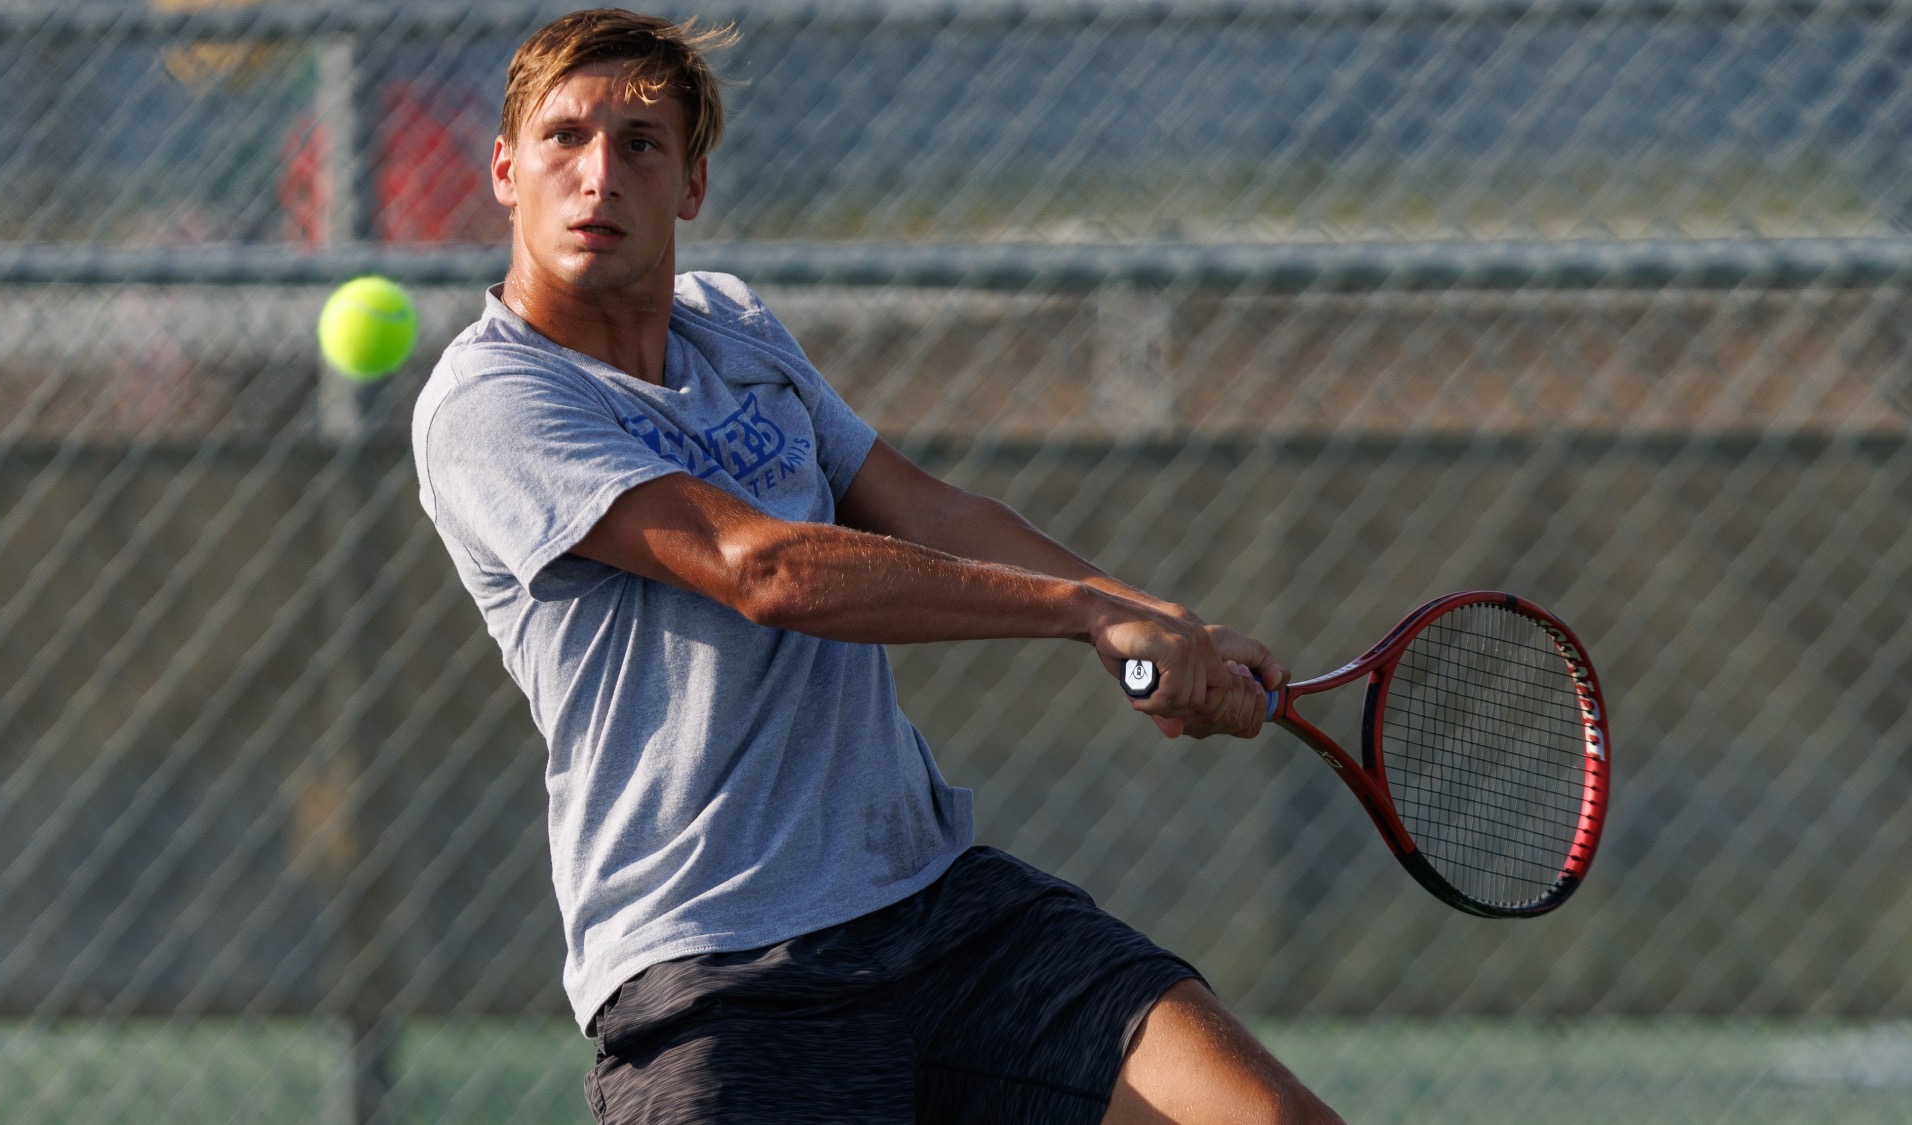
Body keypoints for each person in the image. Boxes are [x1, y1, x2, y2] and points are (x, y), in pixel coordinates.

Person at [411, 9, 1342, 1123]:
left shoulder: (733, 326)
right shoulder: (492, 400)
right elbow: (761, 570)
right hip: (720, 971)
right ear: (507, 171)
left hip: (940, 911)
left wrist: (1158, 618)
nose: (598, 173)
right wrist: (1082, 610)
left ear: (691, 186)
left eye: (640, 143)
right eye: (564, 138)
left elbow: (919, 505)